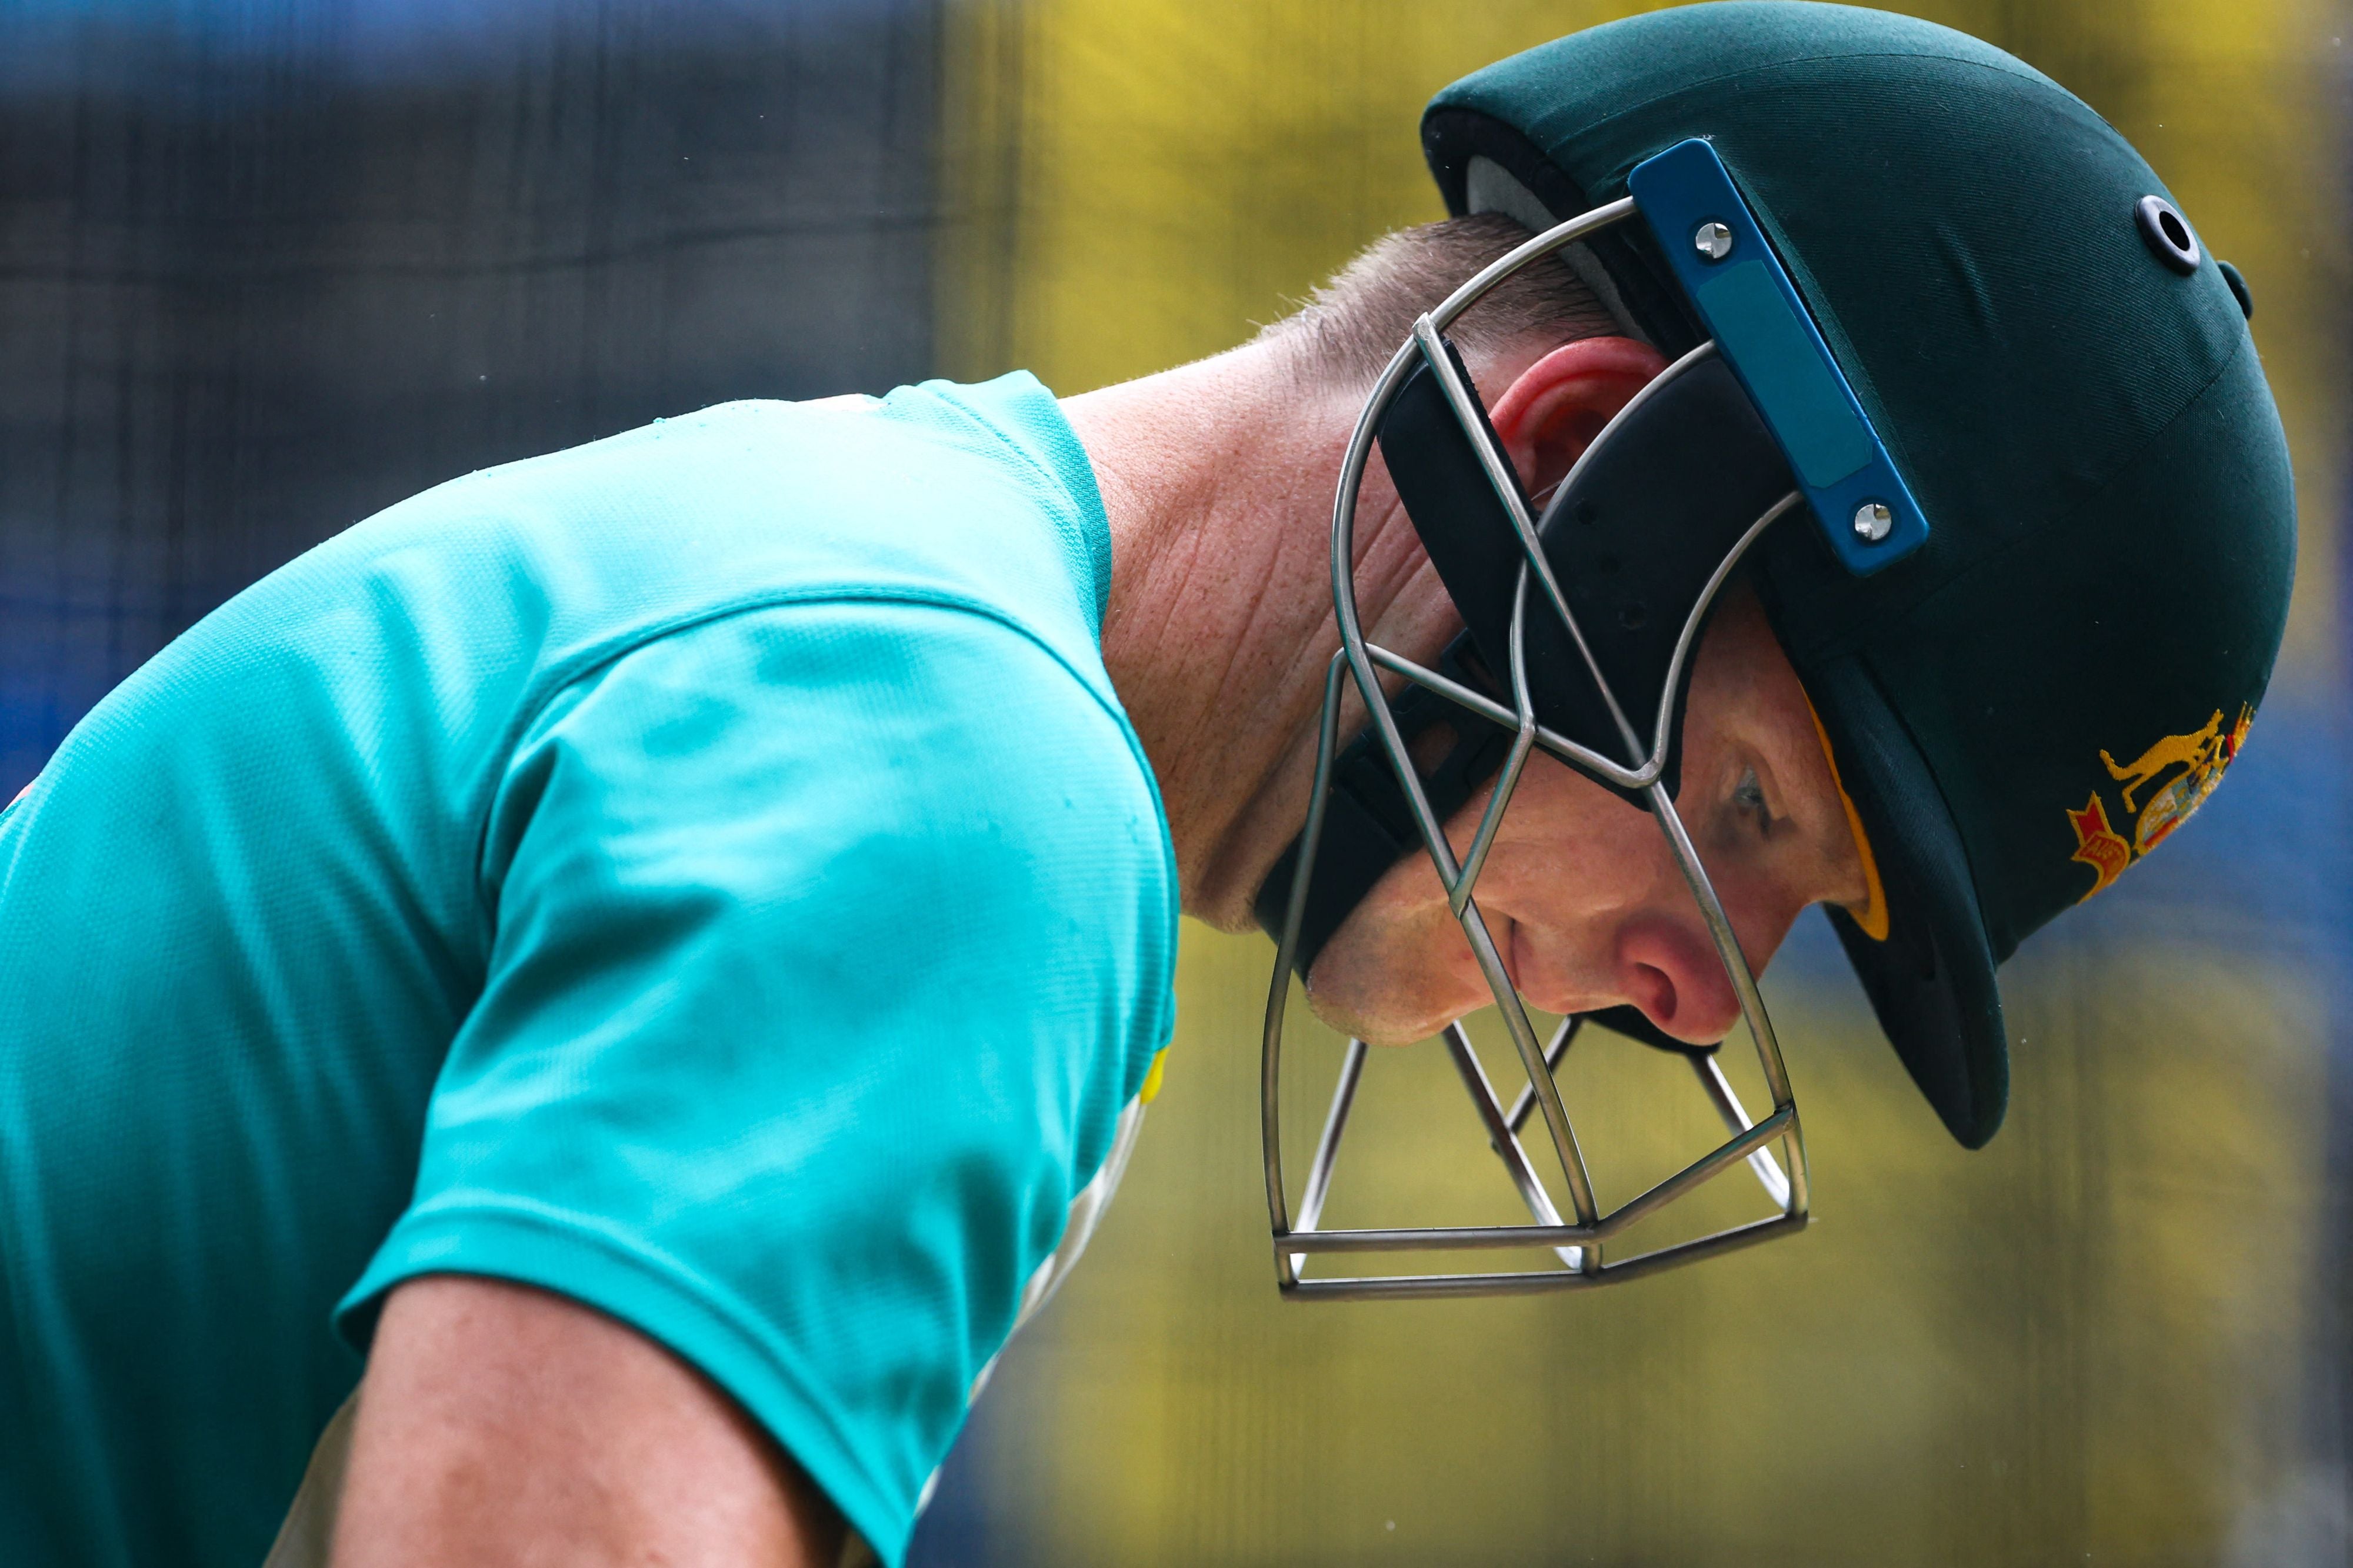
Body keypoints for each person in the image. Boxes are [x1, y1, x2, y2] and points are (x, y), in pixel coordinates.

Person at [0, 5, 2292, 1566]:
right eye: (1761, 812)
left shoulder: (862, 587)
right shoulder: (969, 793)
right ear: (1576, 463)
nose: (1703, 999)